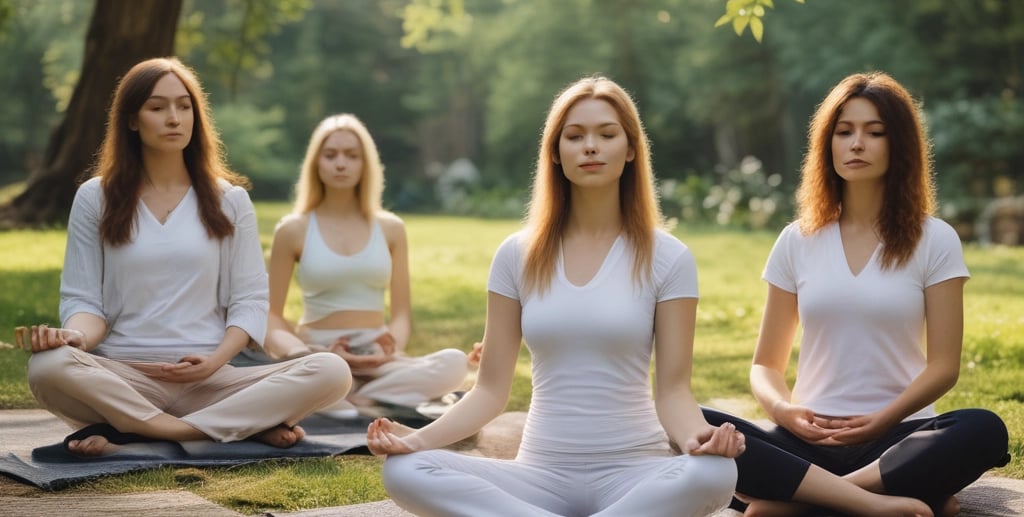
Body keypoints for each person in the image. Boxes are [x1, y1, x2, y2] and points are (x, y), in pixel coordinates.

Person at [365, 76, 747, 517]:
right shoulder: (516, 254)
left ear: (630, 150)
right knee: (403, 470)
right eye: (575, 136)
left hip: (637, 473)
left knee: (717, 474)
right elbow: (490, 390)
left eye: (606, 135)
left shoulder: (669, 257)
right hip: (539, 475)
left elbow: (674, 393)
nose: (590, 147)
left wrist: (699, 437)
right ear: (554, 151)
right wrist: (414, 440)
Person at [703, 71, 1010, 516]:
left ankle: (810, 501)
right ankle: (885, 502)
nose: (856, 143)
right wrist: (784, 411)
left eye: (874, 132)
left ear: (899, 144)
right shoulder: (797, 240)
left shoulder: (935, 239)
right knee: (696, 423)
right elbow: (764, 365)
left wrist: (881, 421)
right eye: (844, 132)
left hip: (897, 438)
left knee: (983, 429)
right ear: (827, 144)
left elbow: (944, 366)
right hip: (805, 441)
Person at [22, 57, 350, 457]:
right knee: (47, 367)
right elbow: (84, 300)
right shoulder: (95, 197)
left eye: (184, 105)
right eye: (157, 108)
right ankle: (219, 431)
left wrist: (214, 363)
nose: (174, 118)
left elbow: (249, 302)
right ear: (131, 120)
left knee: (332, 371)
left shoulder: (230, 200)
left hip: (212, 383)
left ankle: (140, 437)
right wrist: (73, 337)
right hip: (124, 380)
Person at [261, 113, 468, 417]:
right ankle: (366, 399)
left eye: (351, 155)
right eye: (330, 155)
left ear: (365, 164)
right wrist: (303, 353)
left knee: (455, 363)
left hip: (378, 353)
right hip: (321, 354)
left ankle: (357, 399)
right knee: (324, 376)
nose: (341, 163)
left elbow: (401, 316)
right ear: (316, 163)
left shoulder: (391, 229)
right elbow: (270, 316)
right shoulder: (293, 229)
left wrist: (386, 350)